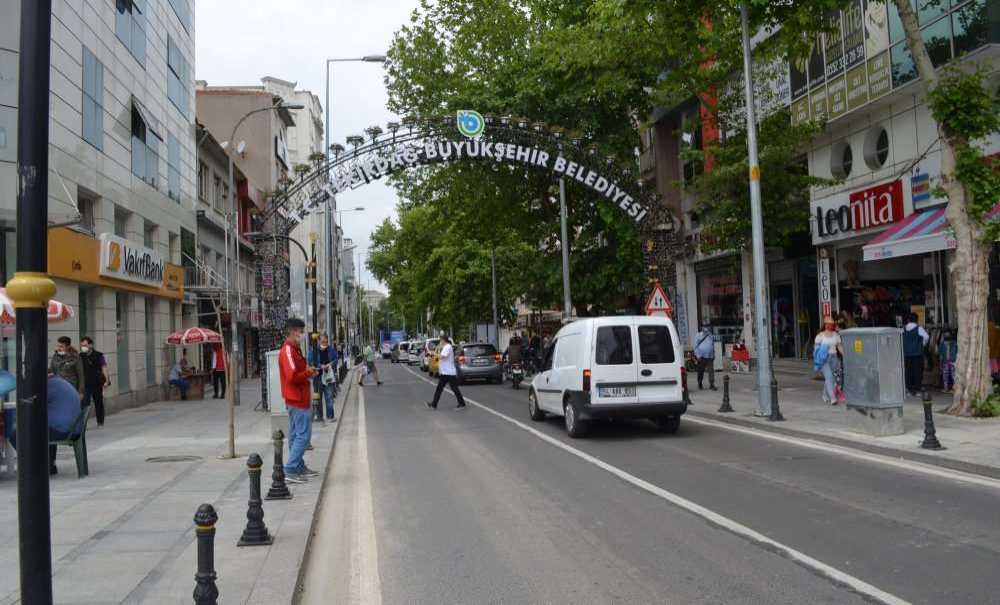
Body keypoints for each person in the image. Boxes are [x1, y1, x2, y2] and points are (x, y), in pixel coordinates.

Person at [11, 375, 82, 475]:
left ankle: (33, 466)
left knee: (16, 434)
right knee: (45, 428)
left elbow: (32, 405)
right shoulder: (61, 383)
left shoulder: (48, 385)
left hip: (62, 431)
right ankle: (49, 466)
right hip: (74, 430)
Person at [279, 318, 318, 483]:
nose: (302, 335)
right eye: (301, 332)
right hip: (297, 399)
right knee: (303, 436)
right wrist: (308, 373)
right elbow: (292, 376)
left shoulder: (295, 350)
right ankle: (290, 469)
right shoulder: (288, 350)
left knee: (296, 435)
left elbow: (297, 372)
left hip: (299, 397)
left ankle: (298, 466)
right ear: (293, 331)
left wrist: (308, 370)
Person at [425, 335, 466, 409]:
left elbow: (442, 356)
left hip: (449, 372)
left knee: (454, 388)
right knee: (439, 388)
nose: (440, 342)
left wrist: (434, 354)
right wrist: (433, 353)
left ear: (444, 340)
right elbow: (440, 356)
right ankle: (434, 404)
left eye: (440, 340)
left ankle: (462, 403)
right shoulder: (446, 347)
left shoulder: (448, 347)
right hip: (445, 372)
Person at [814, 316, 844, 405]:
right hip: (824, 359)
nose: (831, 326)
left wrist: (844, 355)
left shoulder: (836, 335)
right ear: (826, 325)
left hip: (834, 357)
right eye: (829, 324)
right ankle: (833, 398)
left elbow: (839, 346)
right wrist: (817, 359)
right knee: (829, 377)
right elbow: (816, 348)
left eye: (832, 324)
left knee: (833, 378)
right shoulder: (820, 336)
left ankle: (824, 395)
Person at [79, 336, 109, 426]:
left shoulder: (99, 355)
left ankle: (100, 421)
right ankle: (83, 423)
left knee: (98, 402)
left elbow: (104, 367)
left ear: (90, 345)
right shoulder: (80, 356)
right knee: (84, 403)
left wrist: (106, 380)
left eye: (85, 345)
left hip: (97, 383)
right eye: (82, 345)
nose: (83, 347)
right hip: (86, 384)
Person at [309, 334, 338, 421]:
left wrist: (330, 364)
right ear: (318, 341)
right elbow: (310, 361)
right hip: (318, 377)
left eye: (326, 342)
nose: (324, 343)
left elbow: (336, 359)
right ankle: (320, 416)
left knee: (329, 396)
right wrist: (320, 366)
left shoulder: (331, 350)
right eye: (322, 342)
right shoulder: (314, 350)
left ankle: (330, 416)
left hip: (328, 376)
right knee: (318, 397)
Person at [903, 312, 930, 396]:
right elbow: (926, 337)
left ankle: (909, 390)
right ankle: (917, 390)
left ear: (908, 319)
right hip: (917, 353)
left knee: (908, 371)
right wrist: (922, 344)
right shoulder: (919, 328)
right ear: (917, 320)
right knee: (917, 371)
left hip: (907, 354)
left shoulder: (903, 329)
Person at [692, 324, 717, 390]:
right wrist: (698, 355)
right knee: (701, 370)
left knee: (711, 370)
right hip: (701, 356)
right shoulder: (698, 335)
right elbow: (695, 346)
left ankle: (711, 384)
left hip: (710, 356)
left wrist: (713, 354)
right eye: (705, 327)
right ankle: (700, 383)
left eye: (707, 327)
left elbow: (712, 345)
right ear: (702, 328)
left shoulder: (710, 335)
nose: (706, 328)